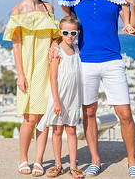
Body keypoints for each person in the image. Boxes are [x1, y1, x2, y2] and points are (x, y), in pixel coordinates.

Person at [58, 0, 135, 178]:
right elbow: (67, 27)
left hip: (113, 61)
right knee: (89, 112)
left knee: (124, 113)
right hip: (85, 62)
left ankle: (132, 163)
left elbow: (132, 28)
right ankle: (96, 160)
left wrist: (134, 4)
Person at [3, 0, 60, 176]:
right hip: (28, 67)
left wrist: (55, 45)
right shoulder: (17, 11)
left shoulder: (49, 7)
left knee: (43, 116)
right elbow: (16, 45)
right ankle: (23, 158)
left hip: (47, 68)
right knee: (29, 117)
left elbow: (56, 36)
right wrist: (20, 74)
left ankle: (38, 160)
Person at [37, 16, 84, 178]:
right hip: (59, 96)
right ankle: (58, 164)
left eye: (73, 33)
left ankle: (73, 165)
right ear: (60, 32)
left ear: (77, 33)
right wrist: (56, 101)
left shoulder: (77, 50)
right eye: (65, 32)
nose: (69, 36)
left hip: (73, 97)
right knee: (57, 130)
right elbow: (53, 77)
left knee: (71, 129)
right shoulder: (57, 51)